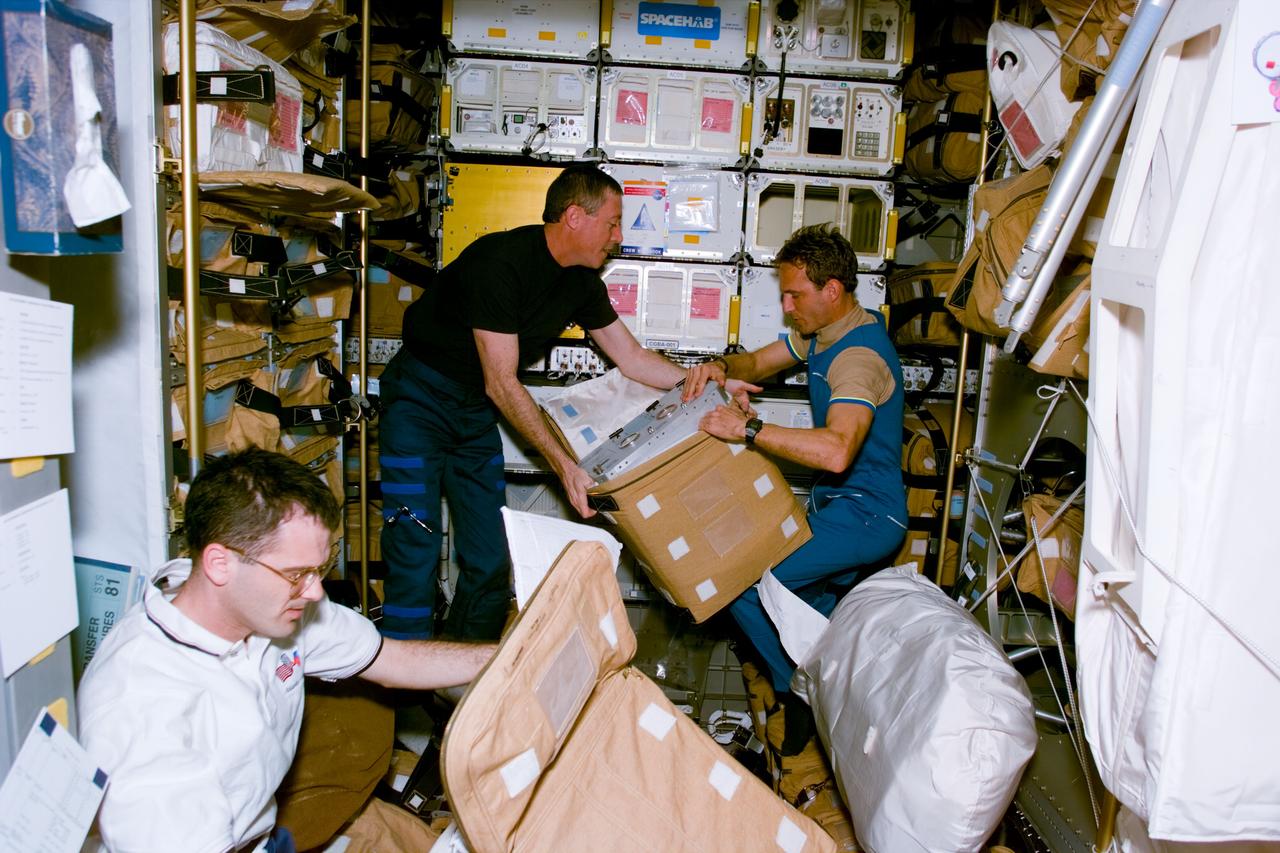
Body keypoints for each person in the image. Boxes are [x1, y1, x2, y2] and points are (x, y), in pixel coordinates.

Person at [76, 449, 495, 853]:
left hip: (262, 827)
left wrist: (508, 656)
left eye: (318, 570)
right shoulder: (141, 706)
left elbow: (392, 660)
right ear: (220, 564)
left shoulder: (261, 605)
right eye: (297, 574)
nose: (314, 592)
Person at [378, 164, 708, 641]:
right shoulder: (501, 262)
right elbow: (502, 382)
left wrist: (703, 384)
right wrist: (565, 467)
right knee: (414, 546)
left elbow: (633, 358)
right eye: (613, 223)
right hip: (419, 400)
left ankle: (468, 674)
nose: (618, 237)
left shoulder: (580, 282)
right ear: (574, 217)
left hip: (472, 410)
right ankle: (402, 676)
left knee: (490, 560)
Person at [687, 224, 907, 752]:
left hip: (868, 516)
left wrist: (748, 429)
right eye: (783, 295)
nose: (787, 307)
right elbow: (759, 363)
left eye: (795, 295)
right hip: (837, 507)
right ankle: (835, 688)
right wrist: (721, 367)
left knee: (744, 584)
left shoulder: (858, 360)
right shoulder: (822, 333)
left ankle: (798, 691)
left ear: (832, 290)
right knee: (806, 606)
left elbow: (836, 451)